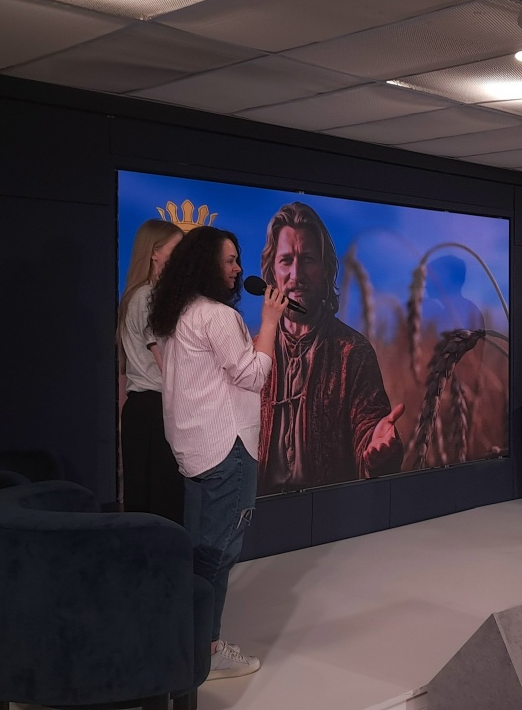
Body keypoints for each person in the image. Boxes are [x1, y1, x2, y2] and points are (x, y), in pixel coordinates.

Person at [149, 226, 287, 680]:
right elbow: (253, 375)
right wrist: (270, 322)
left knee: (201, 548)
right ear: (206, 264)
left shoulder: (177, 313)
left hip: (195, 449)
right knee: (218, 553)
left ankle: (186, 640)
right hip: (228, 447)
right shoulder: (218, 316)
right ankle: (204, 651)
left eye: (237, 259)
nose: (238, 269)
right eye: (229, 260)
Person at [258, 202, 404, 494]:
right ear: (272, 271)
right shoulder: (253, 353)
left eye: (308, 259)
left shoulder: (353, 352)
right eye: (286, 260)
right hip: (260, 508)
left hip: (327, 508)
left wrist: (376, 448)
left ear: (325, 269)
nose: (296, 274)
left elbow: (369, 430)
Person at [117, 219, 183, 522]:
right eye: (176, 248)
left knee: (153, 499)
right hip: (153, 409)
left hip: (148, 409)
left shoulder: (144, 295)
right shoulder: (146, 297)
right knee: (160, 503)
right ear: (154, 252)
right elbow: (166, 362)